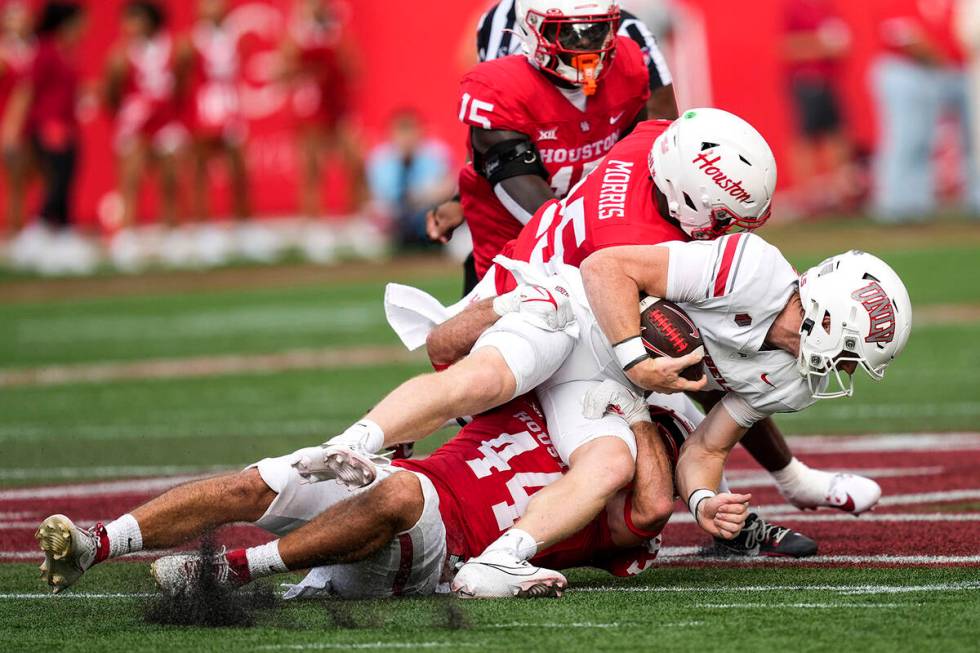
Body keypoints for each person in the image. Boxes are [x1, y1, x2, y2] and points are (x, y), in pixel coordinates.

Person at [35, 395, 675, 598]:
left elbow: (645, 514)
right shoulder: (556, 389)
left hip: (442, 551)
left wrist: (646, 410)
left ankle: (228, 572)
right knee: (257, 480)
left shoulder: (617, 472)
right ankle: (99, 542)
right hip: (398, 483)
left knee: (402, 490)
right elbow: (458, 365)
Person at [577, 239, 912, 560]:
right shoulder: (752, 271)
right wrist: (637, 363)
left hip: (626, 393)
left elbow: (708, 449)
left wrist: (705, 502)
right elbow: (605, 267)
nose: (846, 369)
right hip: (576, 324)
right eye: (850, 354)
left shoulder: (796, 384)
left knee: (647, 505)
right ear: (827, 318)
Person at [427, 0, 653, 294]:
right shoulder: (499, 88)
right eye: (569, 34)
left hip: (600, 239)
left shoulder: (628, 63)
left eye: (596, 31)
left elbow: (637, 154)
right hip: (514, 255)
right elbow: (528, 198)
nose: (585, 45)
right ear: (534, 30)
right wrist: (603, 244)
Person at [2, 1, 95, 275]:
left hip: (67, 126)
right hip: (48, 127)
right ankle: (37, 232)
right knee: (56, 179)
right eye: (80, 22)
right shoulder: (45, 51)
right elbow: (26, 91)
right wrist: (11, 130)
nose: (84, 28)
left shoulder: (67, 52)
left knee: (67, 178)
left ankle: (63, 233)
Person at [870, 0, 980, 221]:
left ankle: (970, 200)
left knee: (970, 139)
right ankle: (899, 205)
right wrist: (943, 61)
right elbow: (904, 35)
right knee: (909, 139)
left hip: (958, 71)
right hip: (909, 68)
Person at [104, 1, 187, 271]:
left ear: (152, 21)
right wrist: (129, 116)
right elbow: (111, 95)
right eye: (128, 20)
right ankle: (125, 237)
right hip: (136, 124)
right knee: (130, 180)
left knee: (170, 180)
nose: (130, 26)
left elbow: (183, 86)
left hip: (165, 122)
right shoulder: (120, 55)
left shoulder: (174, 49)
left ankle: (172, 235)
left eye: (136, 20)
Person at [781, 0, 859, 215]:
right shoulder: (796, 7)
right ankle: (806, 200)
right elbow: (786, 46)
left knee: (837, 137)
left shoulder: (826, 7)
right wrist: (822, 45)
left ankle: (840, 194)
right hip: (807, 79)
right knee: (806, 139)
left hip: (829, 79)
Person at [366, 109, 454, 250]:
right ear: (391, 134)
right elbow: (378, 196)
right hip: (393, 219)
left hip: (426, 214)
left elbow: (447, 188)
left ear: (420, 131)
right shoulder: (379, 158)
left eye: (410, 131)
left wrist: (422, 197)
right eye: (401, 132)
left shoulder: (436, 153)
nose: (406, 138)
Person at [0, 0, 35, 237]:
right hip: (8, 123)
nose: (17, 22)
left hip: (34, 124)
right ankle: (14, 230)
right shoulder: (3, 51)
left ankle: (23, 228)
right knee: (13, 179)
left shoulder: (35, 48)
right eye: (11, 16)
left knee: (26, 178)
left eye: (21, 16)